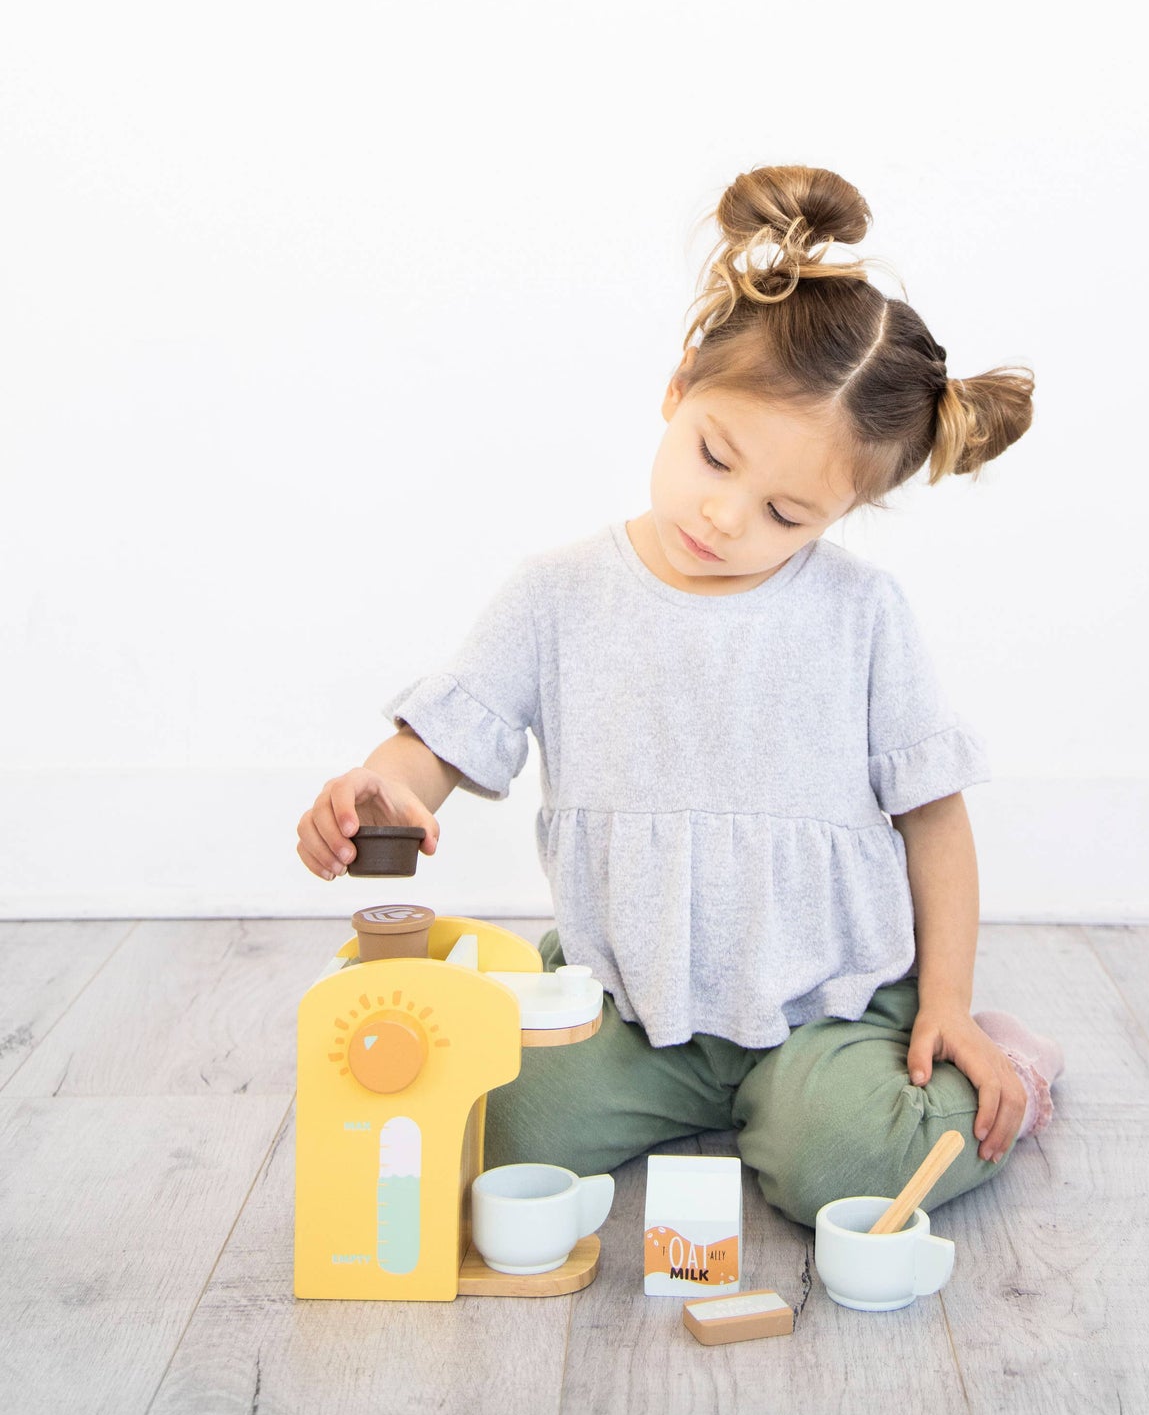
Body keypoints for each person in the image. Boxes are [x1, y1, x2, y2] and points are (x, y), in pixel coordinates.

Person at [295, 163, 1064, 1227]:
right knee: (481, 1126)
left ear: (840, 516)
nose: (726, 518)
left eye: (787, 513)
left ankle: (984, 1067)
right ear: (677, 390)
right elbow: (439, 743)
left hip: (823, 1007)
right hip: (627, 1001)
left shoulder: (861, 615)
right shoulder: (557, 593)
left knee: (854, 1161)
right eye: (712, 456)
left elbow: (934, 819)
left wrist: (944, 1004)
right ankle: (708, 1103)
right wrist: (378, 786)